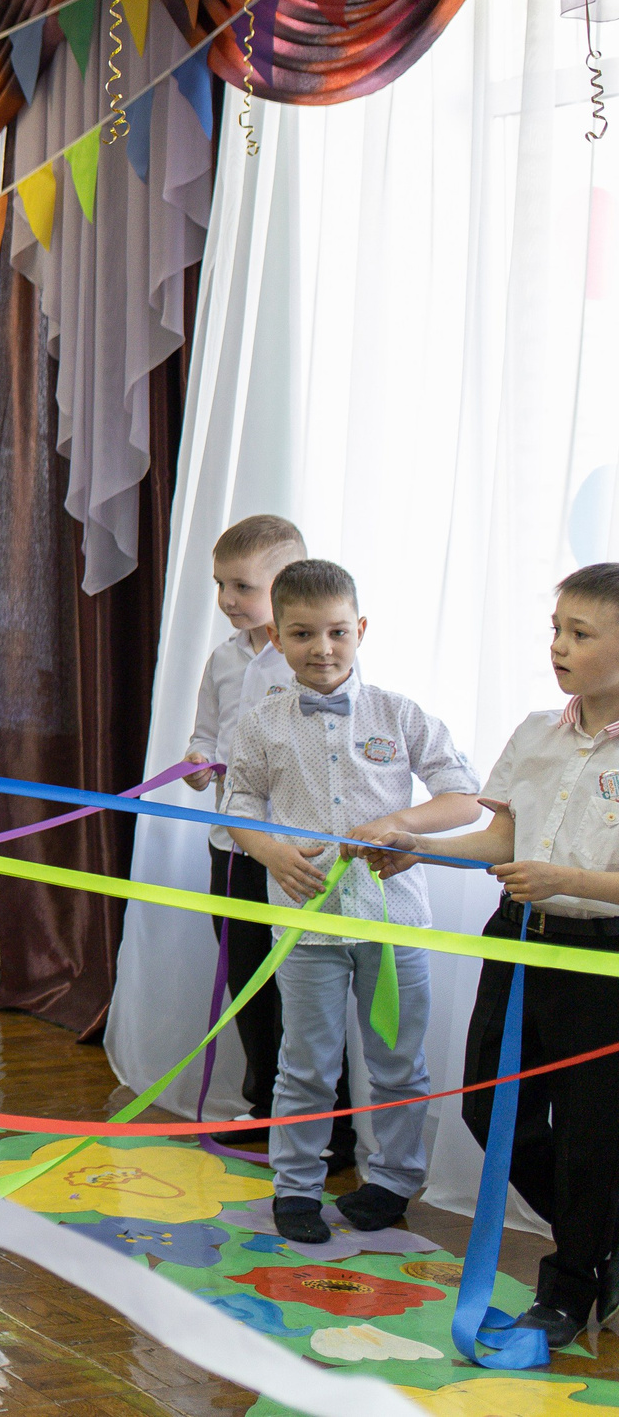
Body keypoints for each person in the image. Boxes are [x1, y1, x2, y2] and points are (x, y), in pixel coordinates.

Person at [365, 562, 619, 1345]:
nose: (559, 646)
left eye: (581, 633)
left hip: (599, 961)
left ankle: (570, 1284)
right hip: (516, 939)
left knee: (588, 1127)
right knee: (486, 1103)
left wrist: (568, 878)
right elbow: (504, 837)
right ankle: (603, 1240)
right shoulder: (537, 731)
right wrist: (421, 849)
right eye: (556, 628)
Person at [222, 559, 481, 1247]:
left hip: (394, 921)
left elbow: (464, 795)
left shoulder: (400, 713)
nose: (323, 648)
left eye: (337, 631)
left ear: (360, 628)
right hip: (305, 925)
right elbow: (238, 802)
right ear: (277, 637)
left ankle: (393, 1181)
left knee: (399, 1058)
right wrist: (270, 852)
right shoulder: (261, 721)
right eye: (304, 633)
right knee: (305, 1060)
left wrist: (406, 827)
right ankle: (297, 1185)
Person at [184, 515, 354, 1162]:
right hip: (230, 849)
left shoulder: (311, 660)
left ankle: (330, 1128)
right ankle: (266, 1106)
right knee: (247, 981)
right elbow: (205, 736)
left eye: (241, 585)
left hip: (292, 856)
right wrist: (200, 762)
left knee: (304, 991)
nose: (227, 599)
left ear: (282, 584)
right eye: (220, 585)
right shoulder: (224, 661)